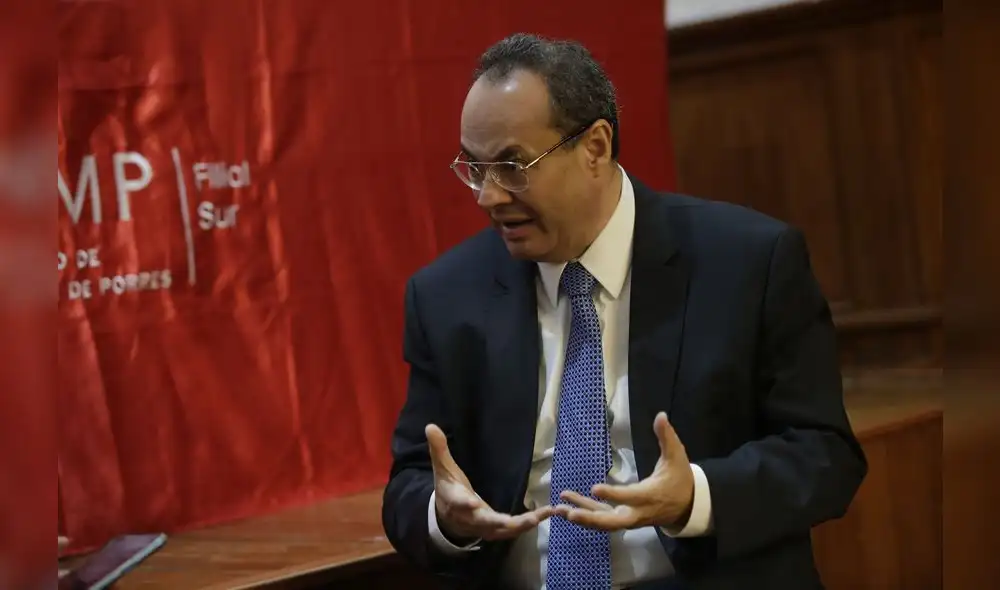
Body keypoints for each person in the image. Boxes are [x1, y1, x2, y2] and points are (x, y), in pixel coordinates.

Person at [382, 33, 867, 590]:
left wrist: (695, 496)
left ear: (595, 147)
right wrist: (444, 518)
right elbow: (413, 482)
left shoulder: (746, 263)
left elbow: (825, 456)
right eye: (475, 167)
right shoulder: (446, 297)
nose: (488, 196)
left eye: (513, 166)